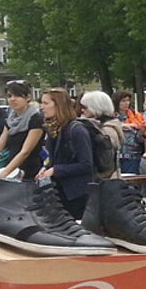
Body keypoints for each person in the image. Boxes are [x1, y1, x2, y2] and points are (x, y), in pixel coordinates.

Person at [0, 80, 44, 185]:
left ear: (28, 97)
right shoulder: (10, 119)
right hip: (12, 172)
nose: (13, 99)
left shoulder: (36, 119)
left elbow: (25, 152)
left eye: (18, 96)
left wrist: (3, 175)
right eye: (10, 96)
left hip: (30, 172)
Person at [38, 88, 93, 219]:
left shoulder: (77, 130)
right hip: (58, 193)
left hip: (77, 195)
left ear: (58, 105)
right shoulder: (53, 129)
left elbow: (86, 164)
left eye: (46, 103)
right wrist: (45, 167)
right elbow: (51, 157)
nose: (41, 107)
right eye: (41, 103)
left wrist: (56, 170)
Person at [80, 91, 123, 179]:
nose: (82, 110)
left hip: (105, 180)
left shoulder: (107, 129)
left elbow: (105, 161)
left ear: (96, 107)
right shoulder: (98, 126)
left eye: (85, 107)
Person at [112, 90, 146, 175]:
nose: (126, 103)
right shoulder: (111, 117)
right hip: (115, 155)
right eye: (123, 101)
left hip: (133, 155)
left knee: (132, 179)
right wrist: (122, 126)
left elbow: (140, 139)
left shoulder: (136, 115)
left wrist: (141, 133)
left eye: (128, 100)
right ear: (117, 102)